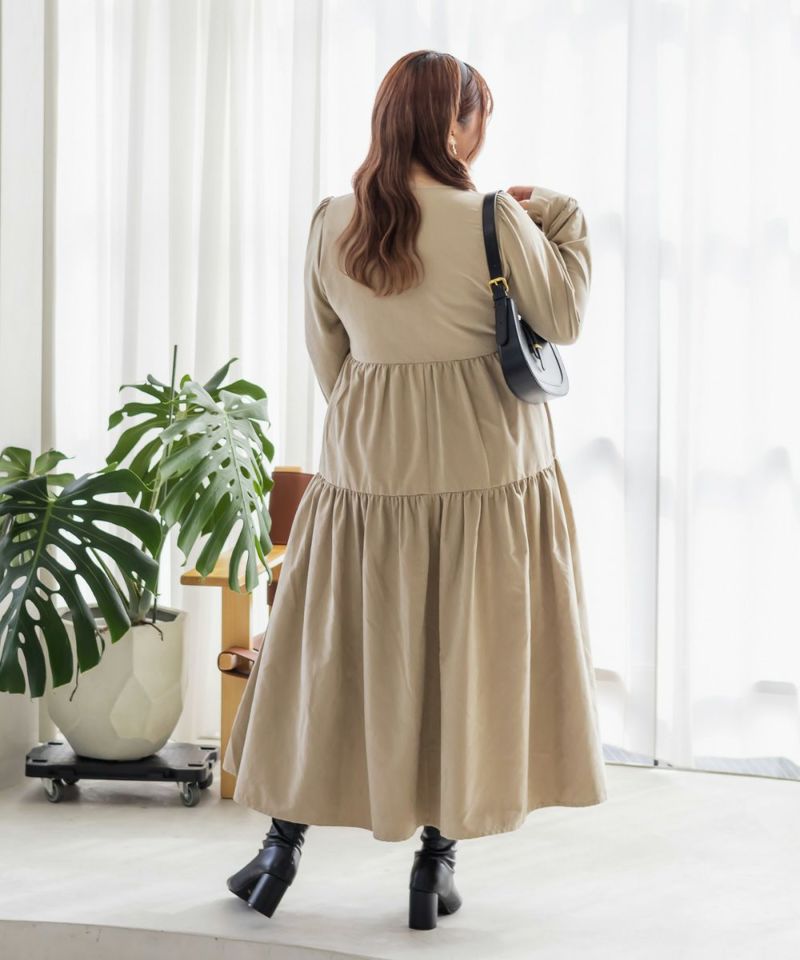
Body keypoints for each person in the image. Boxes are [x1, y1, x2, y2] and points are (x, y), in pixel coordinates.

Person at [222, 49, 607, 931]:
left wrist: (380, 428)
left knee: (332, 656)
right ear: (454, 126)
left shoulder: (332, 220)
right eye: (479, 116)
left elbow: (330, 358)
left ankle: (280, 850)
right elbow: (564, 317)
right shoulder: (492, 220)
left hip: (367, 471)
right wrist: (562, 214)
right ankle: (435, 865)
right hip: (486, 471)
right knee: (463, 656)